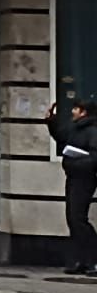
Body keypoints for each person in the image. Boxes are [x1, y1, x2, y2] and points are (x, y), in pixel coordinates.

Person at [48, 97, 97, 273]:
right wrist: (51, 122)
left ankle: (93, 259)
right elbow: (61, 137)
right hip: (73, 178)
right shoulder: (75, 129)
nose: (72, 111)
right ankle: (81, 260)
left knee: (78, 219)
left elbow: (94, 158)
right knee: (72, 219)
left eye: (76, 108)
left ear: (84, 112)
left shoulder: (92, 132)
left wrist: (74, 163)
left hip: (85, 180)